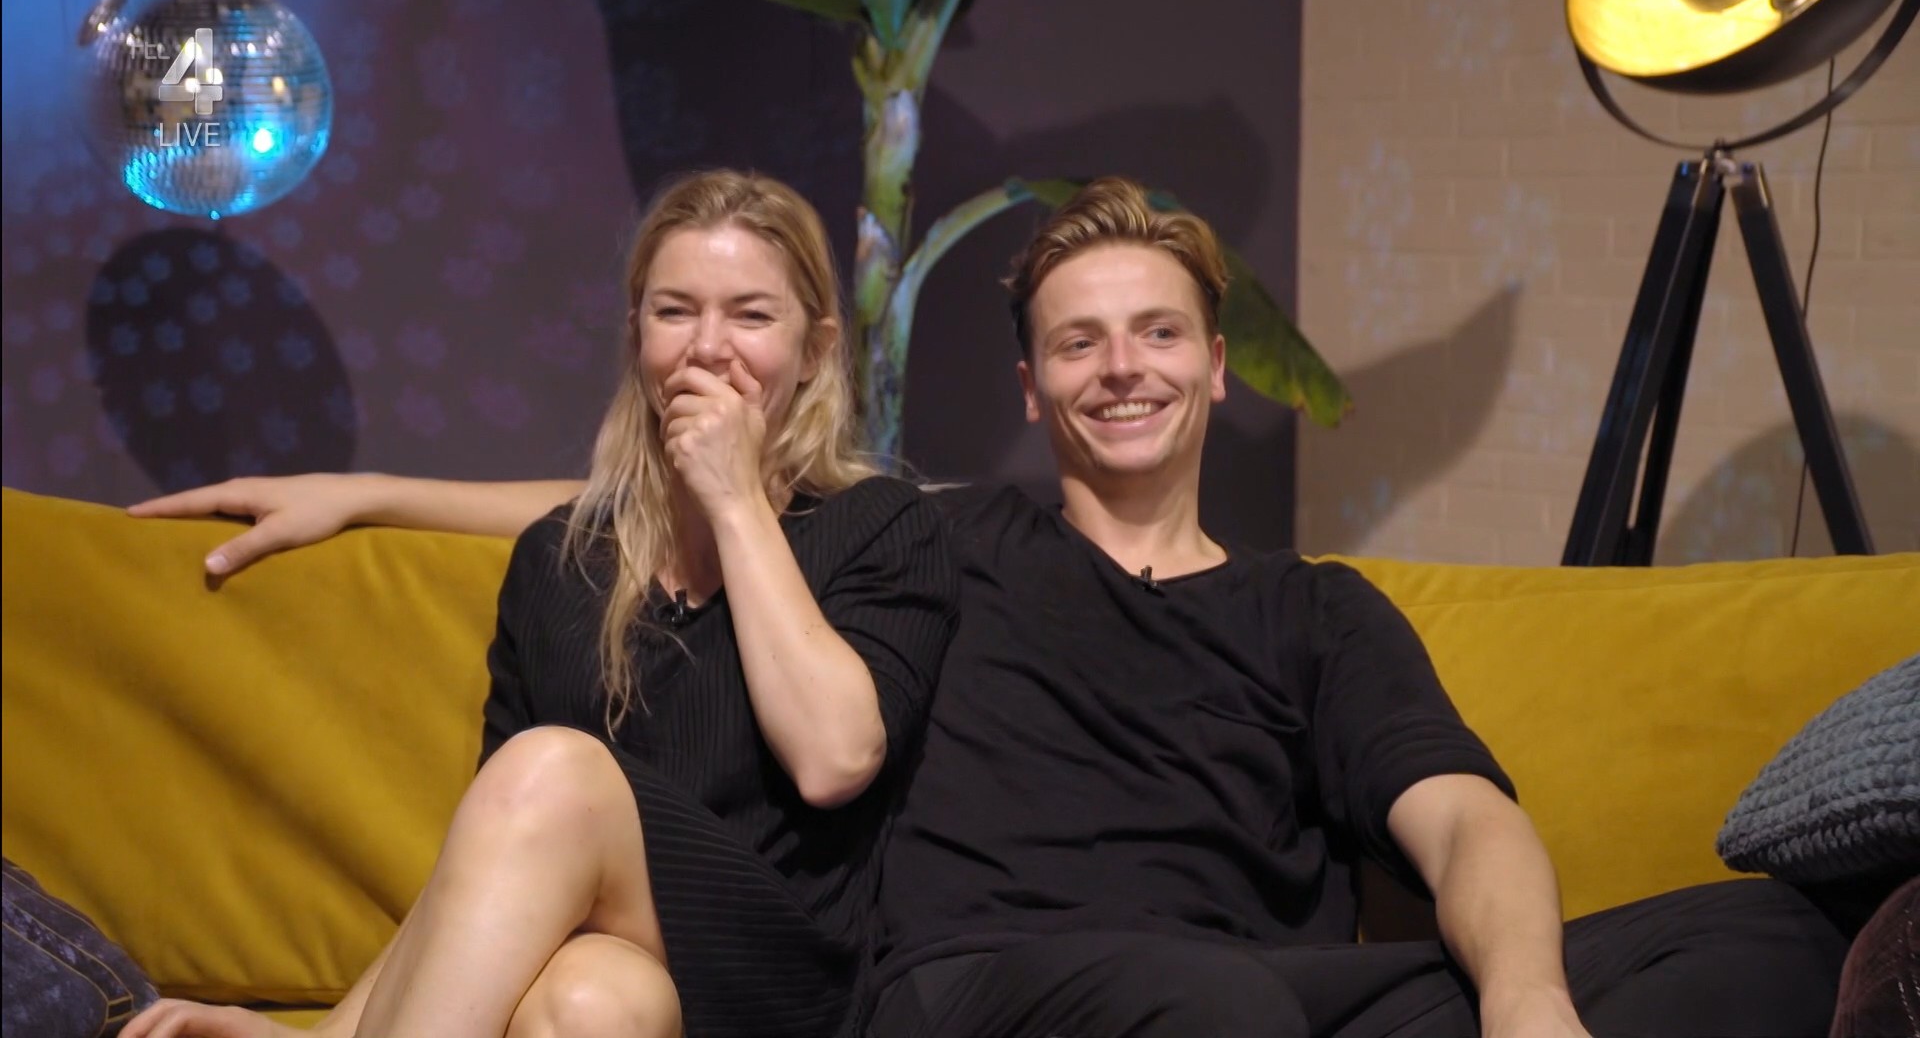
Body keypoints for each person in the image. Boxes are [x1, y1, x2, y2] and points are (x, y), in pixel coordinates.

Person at [135, 178, 1848, 1038]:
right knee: (1211, 1013)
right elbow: (670, 503)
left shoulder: (1318, 613)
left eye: (1158, 334)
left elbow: (1461, 814)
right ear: (1031, 390)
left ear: (1218, 368)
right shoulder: (946, 542)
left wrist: (1531, 1002)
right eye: (1078, 343)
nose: (1122, 369)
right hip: (980, 984)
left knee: (1767, 948)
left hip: (1262, 993)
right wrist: (372, 492)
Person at [121, 169, 960, 1038]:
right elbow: (489, 865)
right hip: (626, 978)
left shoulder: (883, 527)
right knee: (586, 1001)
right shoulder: (560, 562)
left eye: (751, 316)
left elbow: (834, 760)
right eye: (675, 312)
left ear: (815, 351)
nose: (709, 348)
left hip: (787, 985)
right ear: (637, 334)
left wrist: (735, 498)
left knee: (554, 770)